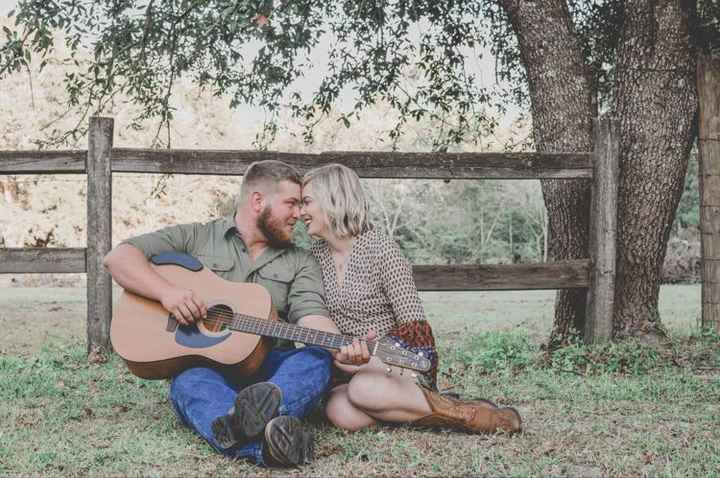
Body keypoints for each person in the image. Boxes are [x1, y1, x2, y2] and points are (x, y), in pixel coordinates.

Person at [104, 160, 343, 467]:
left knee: (316, 357)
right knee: (188, 383)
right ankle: (267, 441)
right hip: (210, 369)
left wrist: (339, 344)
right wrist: (168, 293)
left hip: (273, 369)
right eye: (291, 203)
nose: (299, 214)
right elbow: (119, 258)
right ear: (258, 201)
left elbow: (312, 314)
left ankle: (259, 417)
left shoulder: (301, 260)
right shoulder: (198, 237)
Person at [300, 164, 523, 434]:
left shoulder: (382, 250)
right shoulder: (314, 257)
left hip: (401, 365)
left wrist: (373, 358)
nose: (301, 212)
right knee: (340, 412)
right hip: (347, 369)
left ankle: (467, 414)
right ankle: (414, 409)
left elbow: (420, 341)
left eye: (307, 202)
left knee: (363, 388)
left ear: (332, 199)